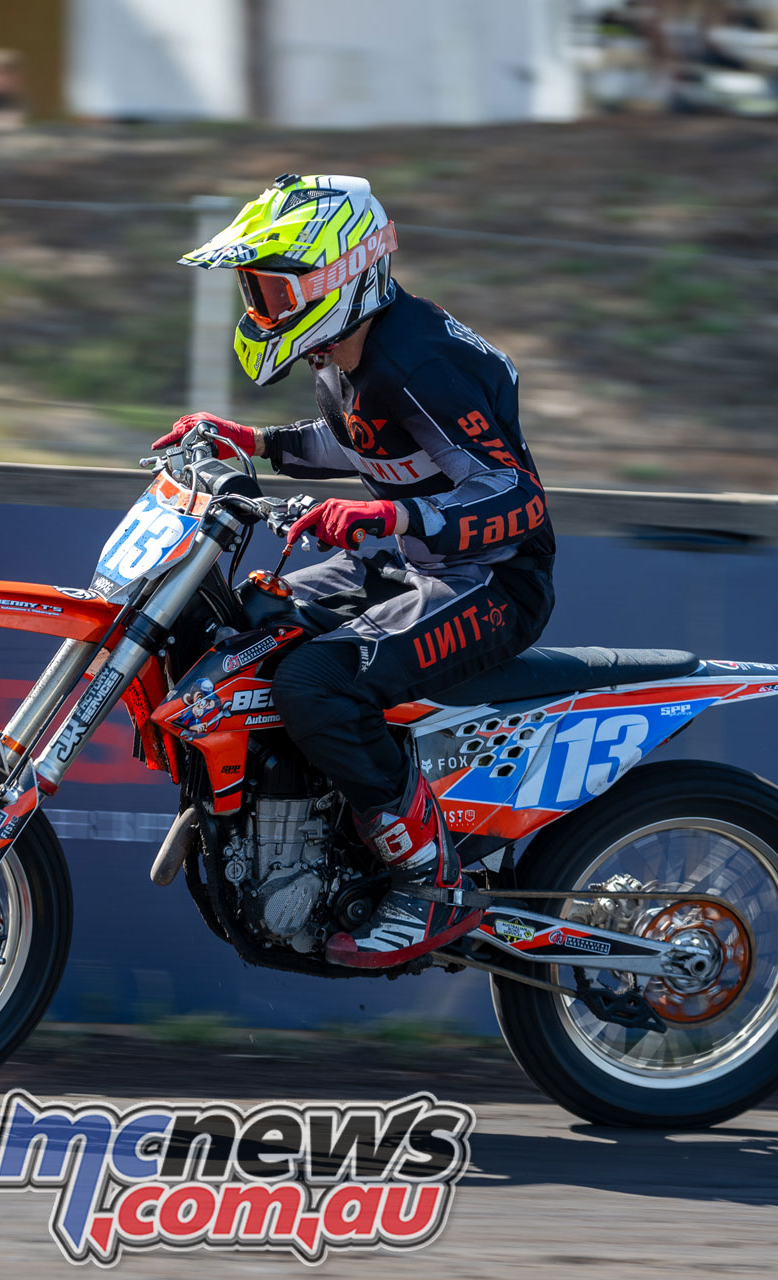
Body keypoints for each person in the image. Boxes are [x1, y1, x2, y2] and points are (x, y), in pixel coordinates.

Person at [159, 173, 555, 968]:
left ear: (339, 274)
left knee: (316, 683)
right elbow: (362, 440)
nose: (261, 308)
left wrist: (392, 517)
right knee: (244, 625)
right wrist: (254, 442)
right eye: (254, 290)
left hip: (490, 582)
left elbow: (518, 497)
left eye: (275, 289)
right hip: (403, 566)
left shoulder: (421, 361)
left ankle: (428, 884)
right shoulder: (347, 351)